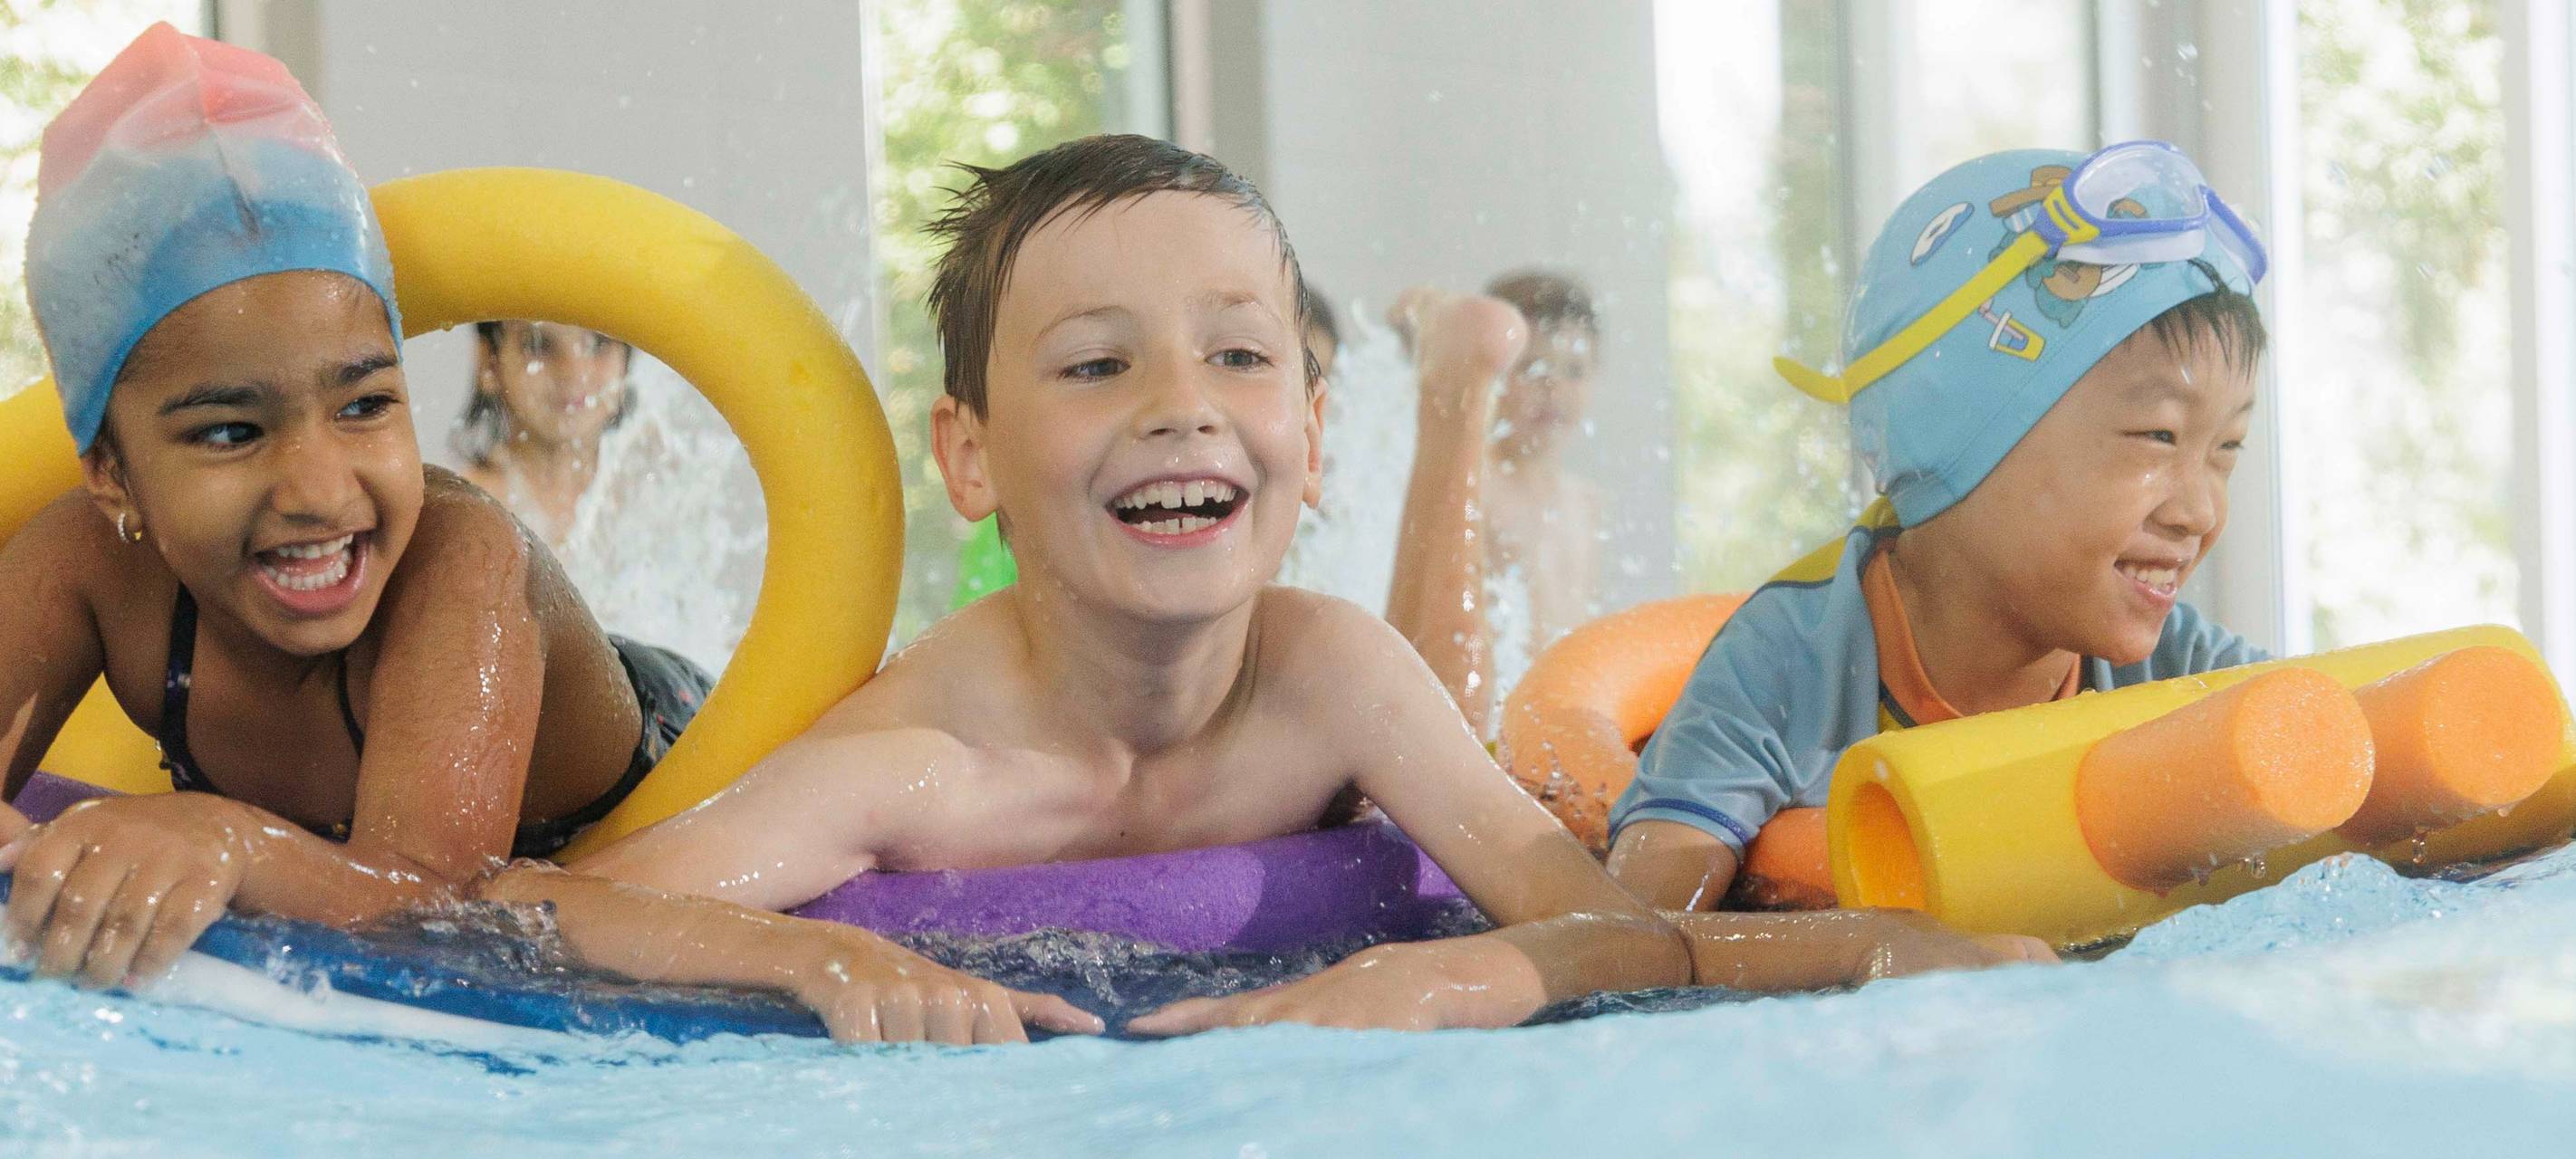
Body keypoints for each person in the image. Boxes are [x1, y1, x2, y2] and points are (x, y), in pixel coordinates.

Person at [538, 134, 2045, 1043]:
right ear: (971, 456)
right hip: (669, 720)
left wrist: (1447, 985)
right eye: (1095, 364)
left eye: (1239, 355)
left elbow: (1601, 930)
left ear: (1310, 440)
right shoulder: (918, 771)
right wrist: (821, 950)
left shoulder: (1333, 679)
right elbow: (546, 910)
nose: (1181, 405)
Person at [0, 23, 711, 991]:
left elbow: (434, 914)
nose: (322, 490)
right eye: (228, 431)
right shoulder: (90, 560)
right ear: (113, 474)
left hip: (672, 744)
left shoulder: (463, 561)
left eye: (366, 405)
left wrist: (225, 835)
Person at [1606, 145, 2273, 913]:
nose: (2200, 512)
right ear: (1955, 434)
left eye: (2226, 450)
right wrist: (1874, 945)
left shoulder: (2189, 674)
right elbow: (1636, 939)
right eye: (2159, 438)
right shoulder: (1791, 668)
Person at [1384, 271, 1602, 733]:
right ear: (1495, 375)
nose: (1554, 388)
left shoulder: (1585, 500)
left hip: (1561, 712)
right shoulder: (1474, 478)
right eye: (1531, 368)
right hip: (1487, 713)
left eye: (1574, 370)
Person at [454, 320, 634, 547]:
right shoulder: (470, 509)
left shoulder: (652, 492)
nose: (573, 371)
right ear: (489, 363)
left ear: (626, 360)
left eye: (599, 342)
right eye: (539, 345)